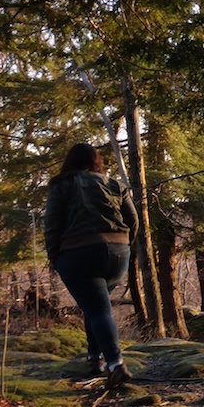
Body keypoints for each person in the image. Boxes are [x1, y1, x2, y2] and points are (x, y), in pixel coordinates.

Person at [43, 143, 138, 390]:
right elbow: (133, 220)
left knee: (97, 309)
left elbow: (52, 224)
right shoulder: (115, 184)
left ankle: (116, 365)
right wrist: (125, 244)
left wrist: (55, 257)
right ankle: (94, 358)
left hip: (79, 253)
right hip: (118, 253)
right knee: (95, 305)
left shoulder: (61, 184)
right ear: (96, 161)